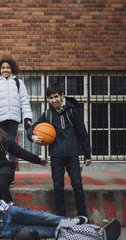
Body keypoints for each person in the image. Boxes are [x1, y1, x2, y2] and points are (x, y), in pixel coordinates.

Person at [27, 84, 91, 217]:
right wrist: (32, 136)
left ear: (62, 95)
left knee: (77, 185)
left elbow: (82, 133)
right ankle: (61, 217)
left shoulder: (72, 111)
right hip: (56, 155)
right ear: (47, 99)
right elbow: (32, 128)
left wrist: (87, 154)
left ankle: (82, 216)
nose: (54, 100)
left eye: (56, 96)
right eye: (50, 98)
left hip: (72, 153)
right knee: (58, 187)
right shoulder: (48, 114)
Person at [0, 58, 33, 165]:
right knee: (0, 146)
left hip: (13, 120)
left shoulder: (18, 83)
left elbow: (25, 101)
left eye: (8, 68)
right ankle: (1, 169)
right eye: (3, 68)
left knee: (12, 147)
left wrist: (27, 117)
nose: (5, 70)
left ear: (12, 69)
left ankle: (11, 172)